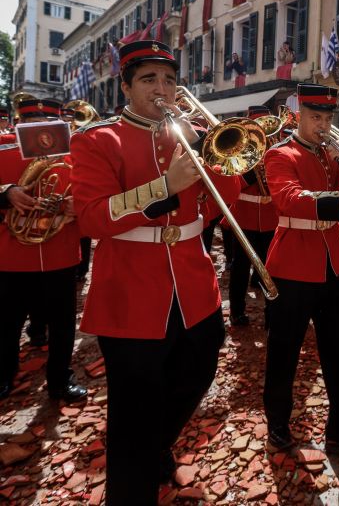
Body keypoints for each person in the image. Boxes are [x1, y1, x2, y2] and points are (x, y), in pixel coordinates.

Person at [69, 40, 241, 505]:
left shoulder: (187, 131)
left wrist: (217, 151)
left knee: (200, 370)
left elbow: (231, 194)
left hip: (192, 283)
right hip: (129, 288)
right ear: (125, 86)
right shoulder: (96, 139)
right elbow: (91, 217)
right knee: (132, 411)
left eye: (168, 79)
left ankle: (156, 444)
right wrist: (166, 187)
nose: (162, 88)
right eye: (148, 79)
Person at [262, 83, 339, 462]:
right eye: (316, 117)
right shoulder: (280, 153)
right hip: (293, 265)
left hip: (336, 263)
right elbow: (288, 198)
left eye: (328, 118)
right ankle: (277, 424)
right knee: (285, 351)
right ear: (298, 116)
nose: (323, 125)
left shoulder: (333, 154)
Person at [0, 98, 87, 404]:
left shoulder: (78, 152)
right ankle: (4, 374)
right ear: (20, 122)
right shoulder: (3, 147)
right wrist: (6, 193)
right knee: (7, 322)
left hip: (59, 251)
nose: (40, 133)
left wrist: (80, 205)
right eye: (31, 124)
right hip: (12, 254)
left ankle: (59, 379)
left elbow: (94, 190)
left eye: (46, 126)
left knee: (63, 323)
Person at [227, 105, 280, 327]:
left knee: (271, 267)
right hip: (245, 216)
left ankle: (272, 313)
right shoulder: (236, 150)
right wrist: (251, 169)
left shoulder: (277, 151)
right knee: (240, 266)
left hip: (270, 217)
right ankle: (236, 311)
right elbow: (232, 185)